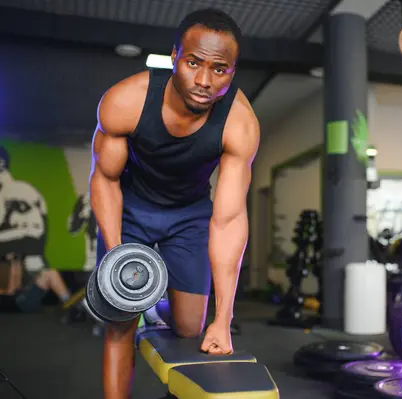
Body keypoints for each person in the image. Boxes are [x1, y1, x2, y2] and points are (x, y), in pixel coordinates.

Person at [88, 8, 259, 399]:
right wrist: (117, 261)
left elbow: (228, 221)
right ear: (174, 57)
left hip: (190, 213)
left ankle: (158, 308)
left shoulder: (240, 123)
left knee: (188, 328)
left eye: (219, 69)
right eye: (193, 63)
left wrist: (224, 319)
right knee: (120, 319)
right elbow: (105, 178)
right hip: (131, 205)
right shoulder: (125, 100)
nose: (203, 80)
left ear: (232, 72)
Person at [0, 253, 72, 313]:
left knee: (49, 272)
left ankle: (70, 303)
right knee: (49, 273)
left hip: (20, 299)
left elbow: (17, 287)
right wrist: (13, 262)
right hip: (19, 304)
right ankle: (71, 305)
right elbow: (9, 294)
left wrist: (15, 261)